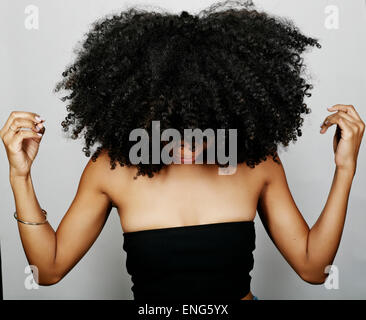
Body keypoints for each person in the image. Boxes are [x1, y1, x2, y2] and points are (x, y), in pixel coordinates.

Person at [0, 0, 364, 300]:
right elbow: (47, 270)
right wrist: (20, 176)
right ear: (141, 113)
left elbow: (314, 269)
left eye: (203, 128)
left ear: (228, 114)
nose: (187, 146)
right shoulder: (111, 169)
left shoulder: (257, 164)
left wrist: (345, 169)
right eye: (169, 130)